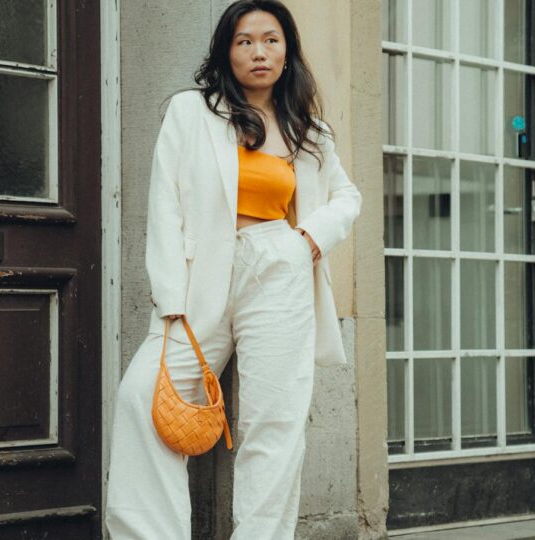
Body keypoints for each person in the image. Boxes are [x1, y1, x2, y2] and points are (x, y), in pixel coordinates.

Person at [104, 1, 361, 538]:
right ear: (227, 51)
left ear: (287, 50)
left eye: (270, 39)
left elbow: (346, 195)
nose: (258, 52)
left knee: (275, 422)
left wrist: (308, 240)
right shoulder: (190, 112)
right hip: (202, 277)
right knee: (139, 399)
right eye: (244, 41)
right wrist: (170, 298)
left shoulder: (307, 130)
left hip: (279, 267)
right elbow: (166, 204)